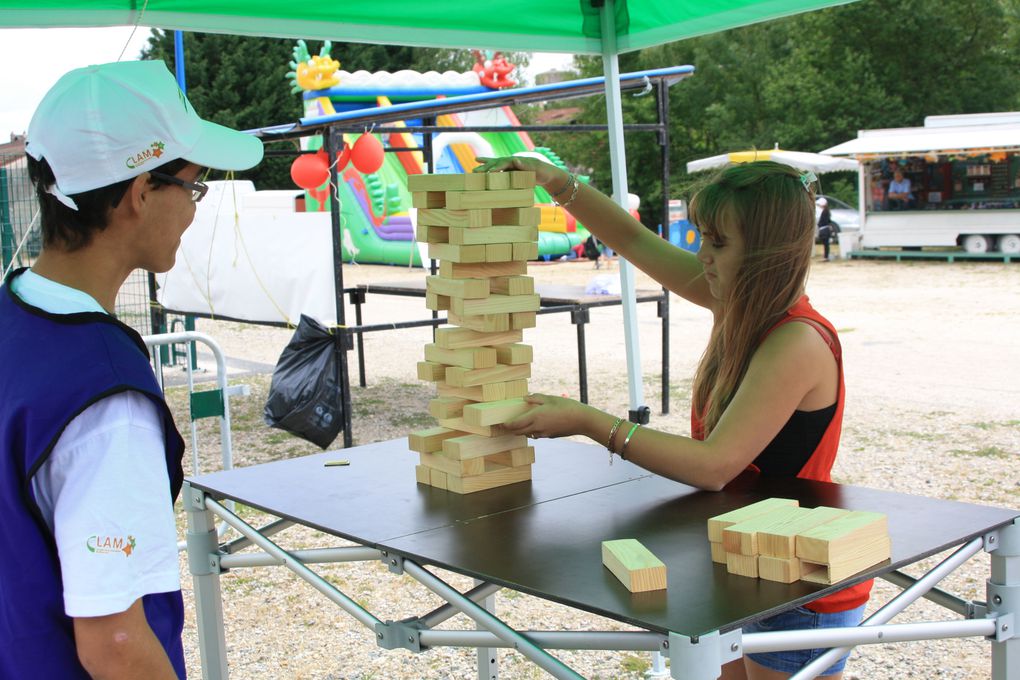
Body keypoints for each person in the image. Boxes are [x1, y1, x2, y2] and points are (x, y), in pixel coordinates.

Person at [473, 157, 871, 680]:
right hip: (742, 563)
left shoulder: (796, 340)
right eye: (701, 237)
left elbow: (713, 466)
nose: (702, 255)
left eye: (719, 243)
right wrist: (556, 182)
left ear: (768, 254)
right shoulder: (733, 297)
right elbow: (633, 241)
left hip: (800, 579)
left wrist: (592, 423)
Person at [0, 60, 262, 679]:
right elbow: (115, 640)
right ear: (142, 193)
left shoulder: (13, 316)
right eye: (193, 188)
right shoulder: (104, 393)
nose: (195, 210)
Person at [816, 197, 834, 261]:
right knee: (826, 244)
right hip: (824, 229)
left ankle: (826, 257)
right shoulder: (826, 211)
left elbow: (825, 221)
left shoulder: (825, 211)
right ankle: (826, 256)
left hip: (824, 230)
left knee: (826, 244)